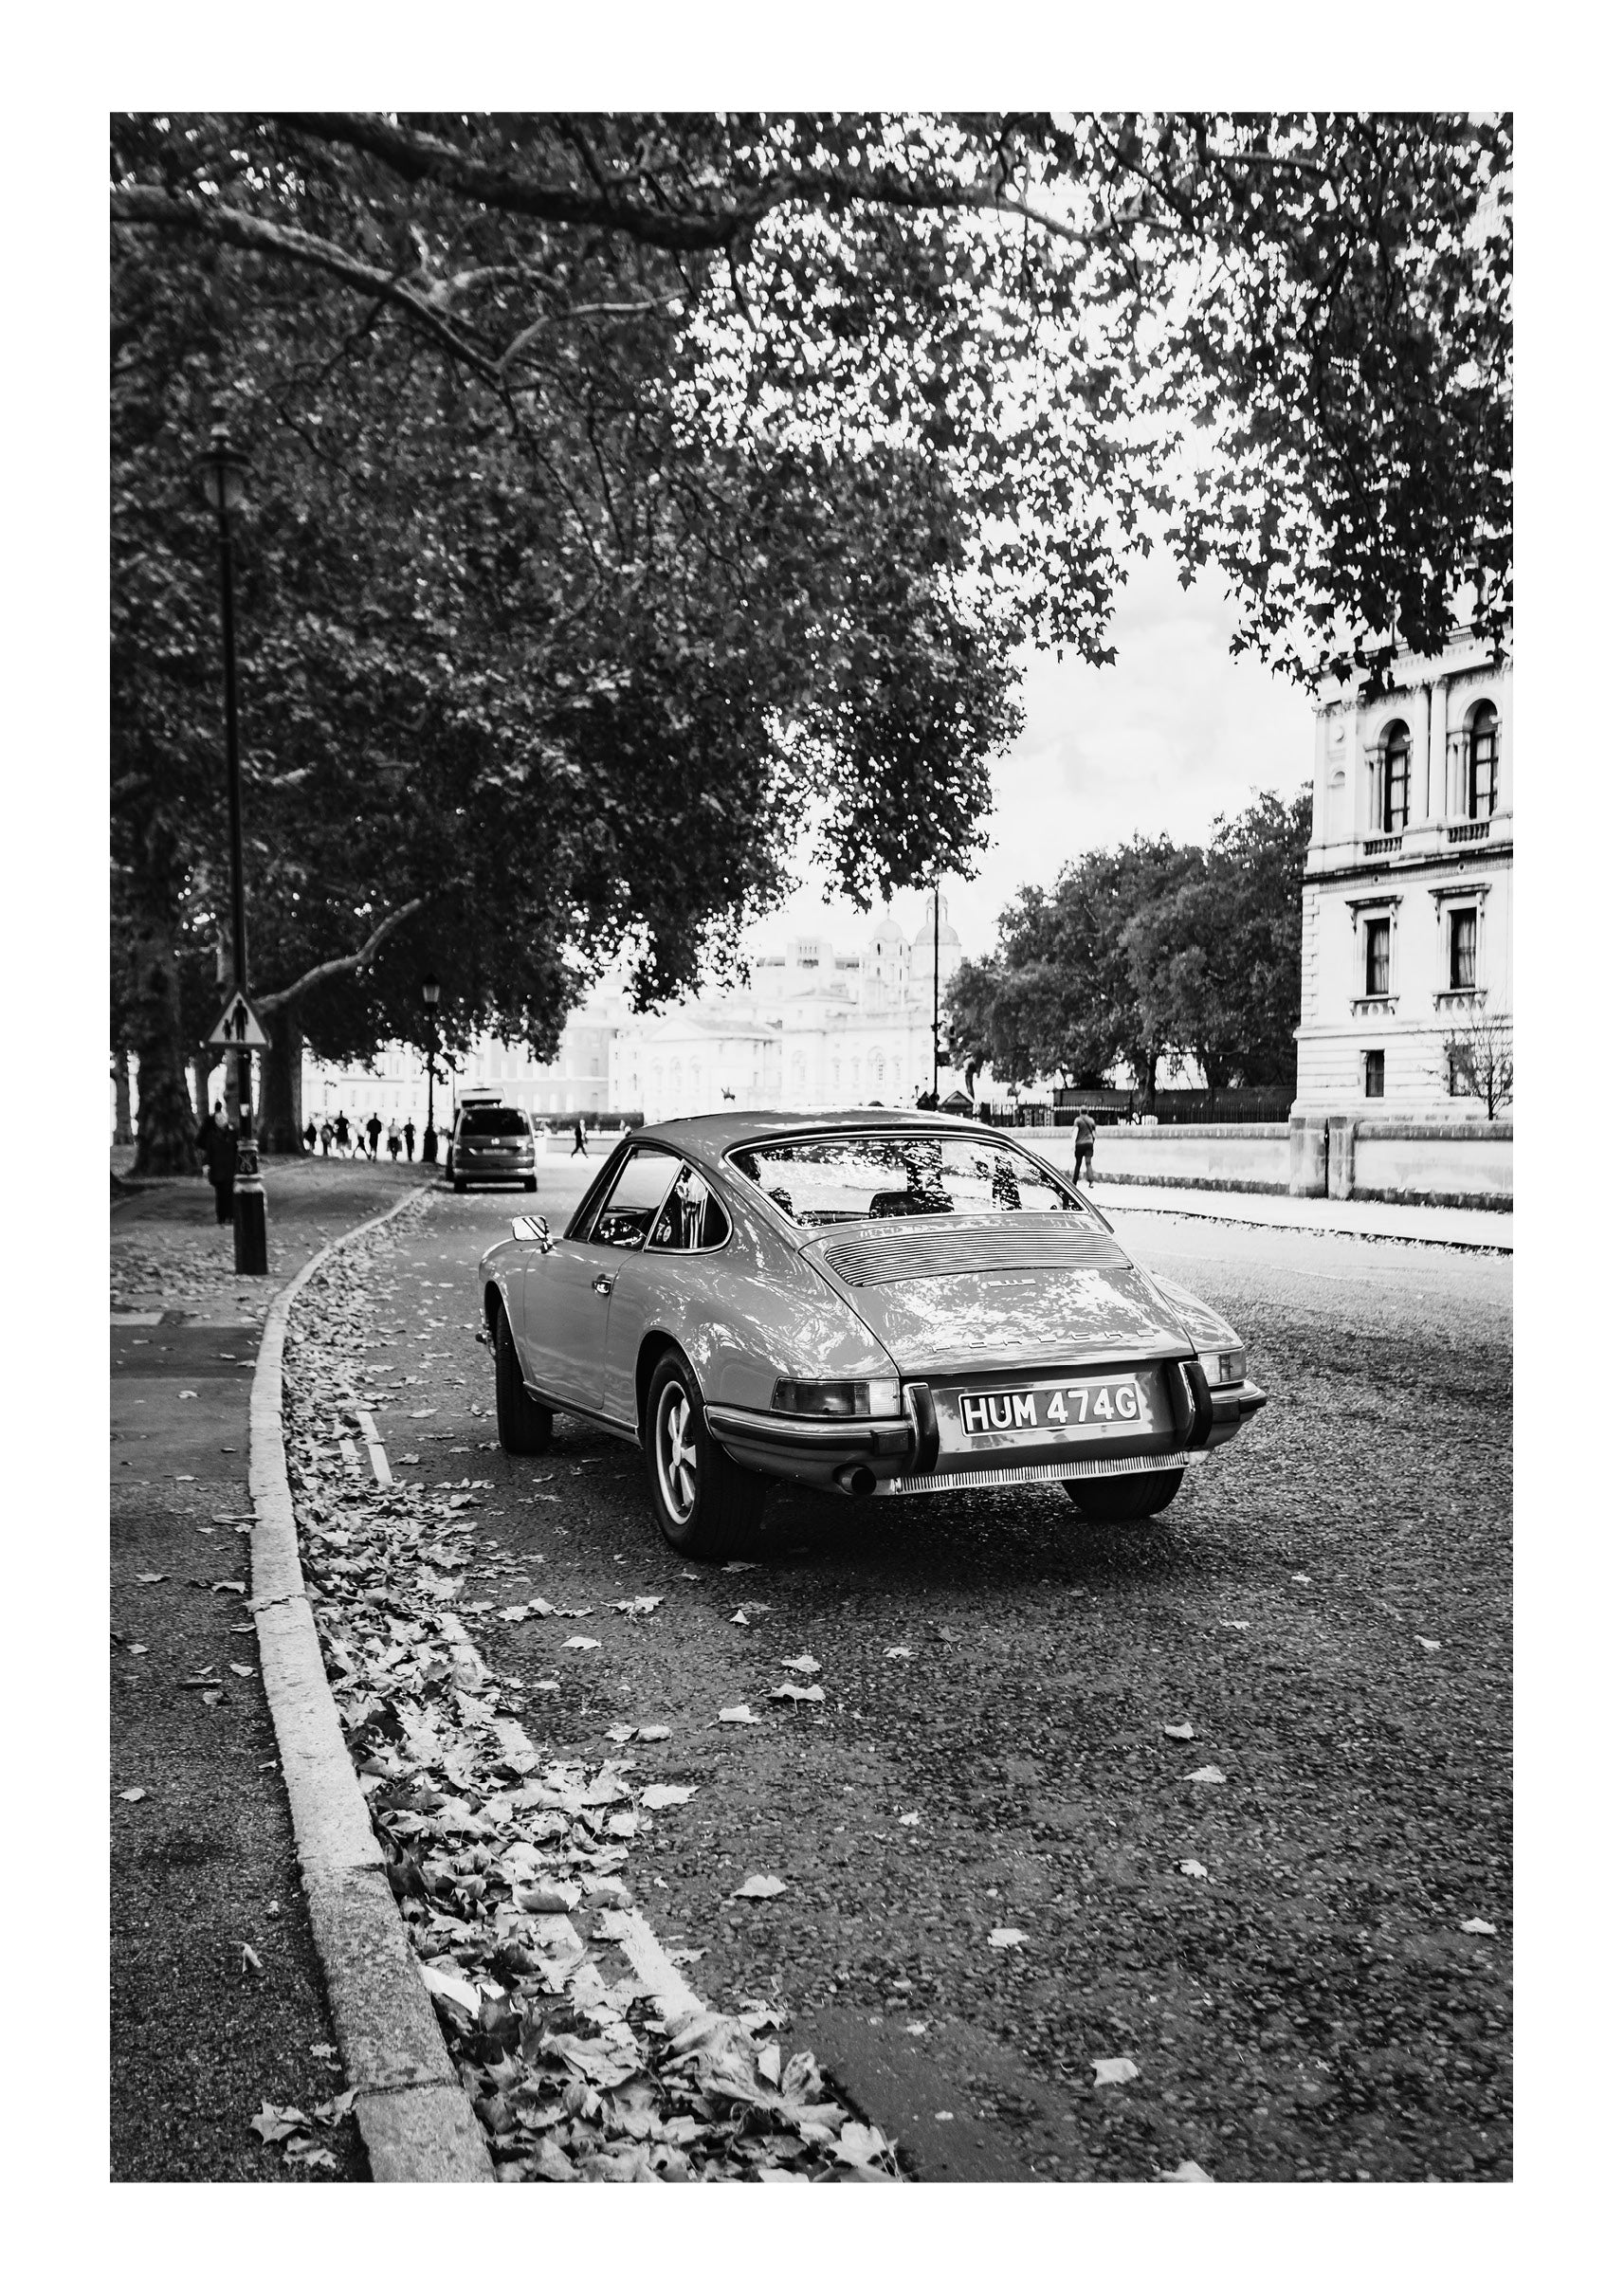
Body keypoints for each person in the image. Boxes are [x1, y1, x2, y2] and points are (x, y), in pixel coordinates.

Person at [195, 1101, 238, 1225]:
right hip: (220, 1166)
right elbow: (209, 1151)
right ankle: (224, 1216)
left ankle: (227, 1215)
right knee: (223, 1192)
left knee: (226, 1192)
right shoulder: (215, 1134)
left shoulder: (229, 1132)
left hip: (225, 1166)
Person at [1071, 1106, 1097, 1187]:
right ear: (1087, 1112)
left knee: (1078, 1163)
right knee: (1088, 1163)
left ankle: (1074, 1182)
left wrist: (1072, 1144)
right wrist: (1092, 1142)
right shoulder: (1091, 1120)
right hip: (1089, 1144)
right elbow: (1094, 1134)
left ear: (1080, 1112)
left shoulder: (1078, 1120)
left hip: (1079, 1144)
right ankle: (1091, 1181)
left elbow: (1075, 1132)